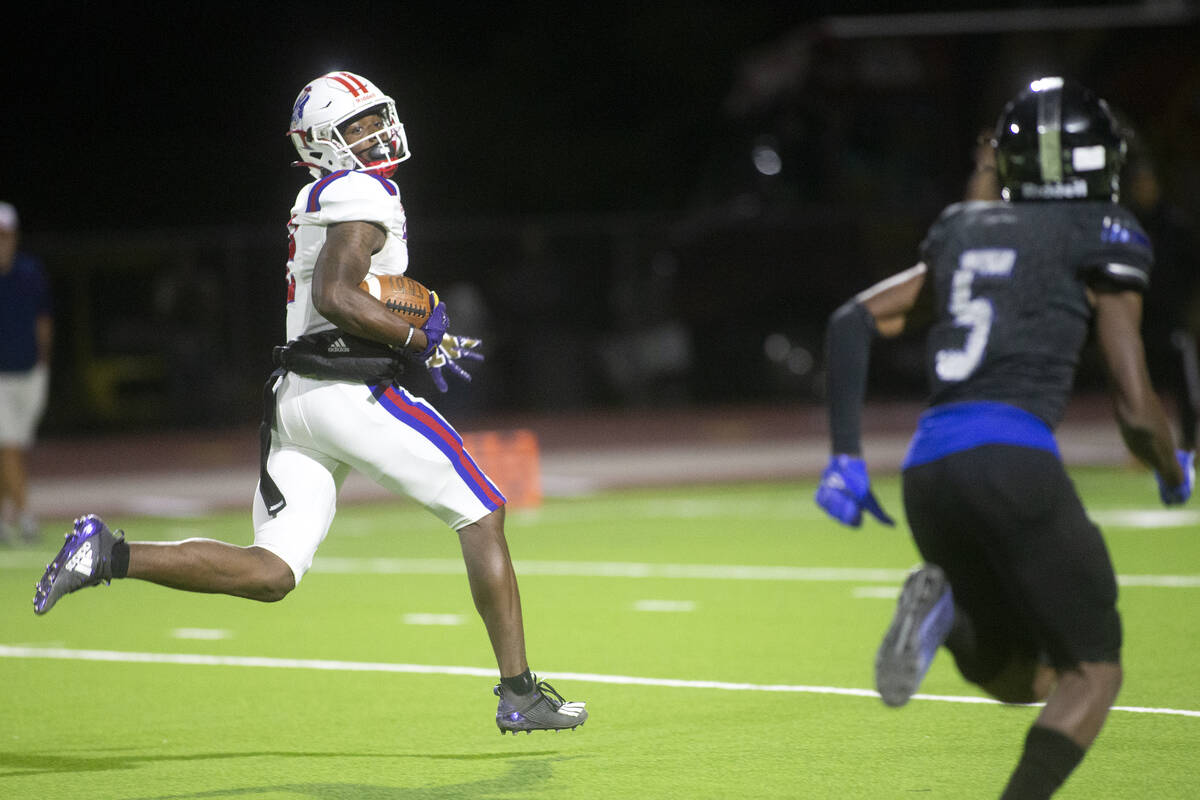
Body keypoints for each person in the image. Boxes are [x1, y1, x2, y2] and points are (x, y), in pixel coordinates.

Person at [32, 71, 587, 735]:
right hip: (349, 391)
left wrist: (404, 317)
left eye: (377, 117)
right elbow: (335, 295)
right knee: (483, 509)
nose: (377, 132)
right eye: (357, 125)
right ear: (326, 141)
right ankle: (519, 693)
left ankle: (110, 555)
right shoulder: (360, 190)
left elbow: (346, 289)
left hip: (294, 401)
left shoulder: (322, 195)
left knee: (272, 572)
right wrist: (419, 339)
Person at [814, 77, 1193, 798]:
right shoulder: (1103, 230)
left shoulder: (965, 227)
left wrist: (844, 456)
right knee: (1096, 669)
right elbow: (1135, 404)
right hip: (1013, 461)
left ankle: (945, 610)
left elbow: (850, 321)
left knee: (1025, 677)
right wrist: (1169, 467)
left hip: (928, 472)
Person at [0, 201, 53, 544]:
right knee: (10, 445)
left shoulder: (30, 272)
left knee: (16, 447)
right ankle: (27, 517)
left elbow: (44, 319)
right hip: (0, 377)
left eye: (4, 235)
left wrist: (44, 362)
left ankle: (6, 517)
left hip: (31, 372)